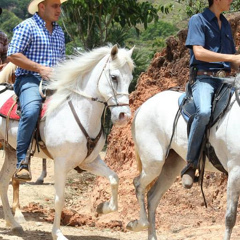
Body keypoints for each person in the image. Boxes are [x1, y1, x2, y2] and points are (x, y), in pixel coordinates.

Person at [181, 0, 240, 189]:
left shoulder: (226, 24)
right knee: (204, 112)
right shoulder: (197, 20)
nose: (231, 1)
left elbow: (233, 60)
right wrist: (230, 57)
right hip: (203, 79)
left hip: (226, 80)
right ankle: (191, 164)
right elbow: (198, 53)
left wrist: (235, 61)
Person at [7, 0, 67, 181]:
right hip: (29, 79)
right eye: (54, 6)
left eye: (59, 6)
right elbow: (13, 54)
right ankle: (22, 162)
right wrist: (39, 68)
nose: (59, 10)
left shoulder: (59, 32)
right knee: (32, 109)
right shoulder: (27, 27)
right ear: (42, 7)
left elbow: (61, 60)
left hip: (55, 81)